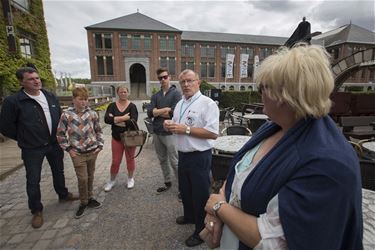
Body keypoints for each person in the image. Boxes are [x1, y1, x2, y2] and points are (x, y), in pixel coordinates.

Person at [202, 45, 363, 250]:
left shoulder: (326, 163)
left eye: (262, 88)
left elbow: (275, 242)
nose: (259, 93)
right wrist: (221, 199)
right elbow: (239, 170)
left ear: (285, 97)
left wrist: (217, 207)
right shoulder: (275, 127)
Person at [0, 67, 78, 229]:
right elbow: (6, 127)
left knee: (59, 171)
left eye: (37, 78)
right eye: (31, 79)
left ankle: (63, 194)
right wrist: (25, 138)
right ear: (21, 82)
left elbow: (59, 118)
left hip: (54, 143)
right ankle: (36, 210)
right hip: (32, 148)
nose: (36, 81)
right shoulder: (14, 101)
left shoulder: (49, 96)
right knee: (33, 179)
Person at [164, 69, 219, 247]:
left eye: (189, 81)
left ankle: (200, 231)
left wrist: (185, 129)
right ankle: (189, 216)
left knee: (200, 194)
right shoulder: (180, 104)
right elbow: (176, 126)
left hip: (200, 156)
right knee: (185, 190)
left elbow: (212, 133)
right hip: (183, 154)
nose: (186, 85)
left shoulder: (208, 104)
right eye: (183, 82)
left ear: (198, 82)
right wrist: (168, 125)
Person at [57, 87, 104, 218]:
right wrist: (69, 149)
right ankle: (83, 202)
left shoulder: (92, 114)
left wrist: (99, 146)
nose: (83, 102)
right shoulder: (66, 115)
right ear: (73, 99)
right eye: (80, 99)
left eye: (85, 99)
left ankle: (90, 198)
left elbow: (99, 130)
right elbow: (60, 134)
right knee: (82, 178)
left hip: (92, 151)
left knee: (90, 176)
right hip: (77, 153)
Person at [147, 68, 181, 193]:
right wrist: (164, 109)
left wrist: (158, 112)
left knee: (175, 162)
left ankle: (181, 188)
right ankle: (167, 182)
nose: (163, 80)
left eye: (165, 77)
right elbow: (150, 112)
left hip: (170, 132)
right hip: (157, 132)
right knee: (162, 159)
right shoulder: (156, 95)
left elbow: (173, 113)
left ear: (169, 77)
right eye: (160, 78)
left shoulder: (176, 94)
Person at [103, 86, 138, 191]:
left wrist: (115, 120)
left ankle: (130, 178)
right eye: (121, 92)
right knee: (115, 161)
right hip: (116, 138)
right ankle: (112, 180)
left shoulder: (132, 106)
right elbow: (106, 119)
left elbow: (133, 121)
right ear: (117, 93)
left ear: (128, 93)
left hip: (130, 138)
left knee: (130, 159)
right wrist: (123, 118)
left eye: (125, 92)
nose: (123, 93)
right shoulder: (112, 106)